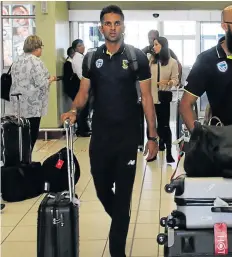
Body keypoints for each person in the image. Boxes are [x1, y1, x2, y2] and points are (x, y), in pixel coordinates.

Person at [60, 5, 158, 257]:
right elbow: (83, 93)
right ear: (101, 26)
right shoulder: (92, 58)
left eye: (117, 23)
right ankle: (122, 220)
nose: (113, 28)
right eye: (108, 23)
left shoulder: (136, 57)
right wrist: (73, 111)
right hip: (100, 137)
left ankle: (118, 252)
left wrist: (153, 136)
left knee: (123, 197)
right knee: (102, 189)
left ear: (123, 26)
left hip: (128, 138)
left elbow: (147, 98)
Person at [6, 35, 57, 151]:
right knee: (31, 134)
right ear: (37, 47)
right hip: (32, 105)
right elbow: (41, 83)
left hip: (17, 104)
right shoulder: (36, 62)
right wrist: (51, 79)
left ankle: (20, 160)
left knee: (20, 134)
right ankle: (27, 160)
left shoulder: (17, 60)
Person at [149, 36, 180, 163]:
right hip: (151, 97)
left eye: (156, 44)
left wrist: (167, 82)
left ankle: (168, 152)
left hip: (163, 97)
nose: (153, 47)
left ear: (163, 46)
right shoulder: (152, 60)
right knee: (152, 125)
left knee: (165, 125)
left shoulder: (172, 62)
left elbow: (176, 80)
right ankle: (154, 151)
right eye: (153, 44)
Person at [71, 39, 90, 137]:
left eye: (82, 45)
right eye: (79, 46)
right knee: (83, 108)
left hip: (84, 83)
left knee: (86, 108)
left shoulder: (82, 57)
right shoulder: (77, 58)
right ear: (75, 48)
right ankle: (82, 129)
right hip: (81, 84)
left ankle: (84, 128)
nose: (82, 47)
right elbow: (80, 74)